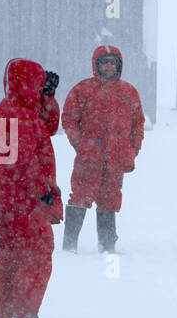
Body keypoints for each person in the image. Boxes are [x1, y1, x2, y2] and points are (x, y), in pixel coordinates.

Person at [0, 58, 62, 318]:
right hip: (24, 197)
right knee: (36, 254)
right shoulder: (20, 115)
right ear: (27, 83)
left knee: (10, 256)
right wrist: (42, 190)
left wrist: (48, 98)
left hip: (5, 194)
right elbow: (22, 160)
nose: (40, 86)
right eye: (38, 83)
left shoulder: (13, 109)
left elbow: (48, 128)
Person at [60, 45, 145, 253]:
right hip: (89, 157)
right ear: (97, 64)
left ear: (119, 65)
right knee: (80, 195)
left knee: (110, 199)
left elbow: (138, 124)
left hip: (116, 158)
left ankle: (107, 246)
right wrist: (80, 144)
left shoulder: (129, 92)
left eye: (112, 62)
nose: (108, 66)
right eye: (104, 62)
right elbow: (69, 118)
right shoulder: (83, 89)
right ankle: (69, 246)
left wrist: (132, 149)